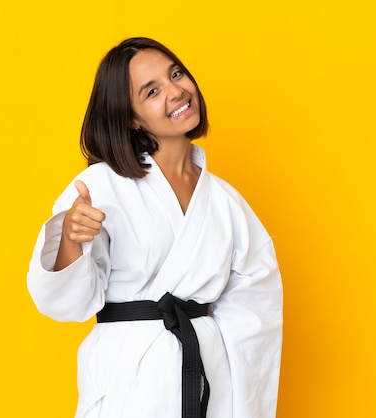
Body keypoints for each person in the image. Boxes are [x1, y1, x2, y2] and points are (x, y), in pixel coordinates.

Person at [27, 37, 283, 418]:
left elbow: (255, 312)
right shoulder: (102, 187)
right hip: (127, 382)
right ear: (131, 116)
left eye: (176, 74)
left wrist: (240, 404)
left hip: (207, 380)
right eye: (152, 91)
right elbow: (66, 305)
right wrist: (69, 239)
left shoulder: (227, 202)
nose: (177, 92)